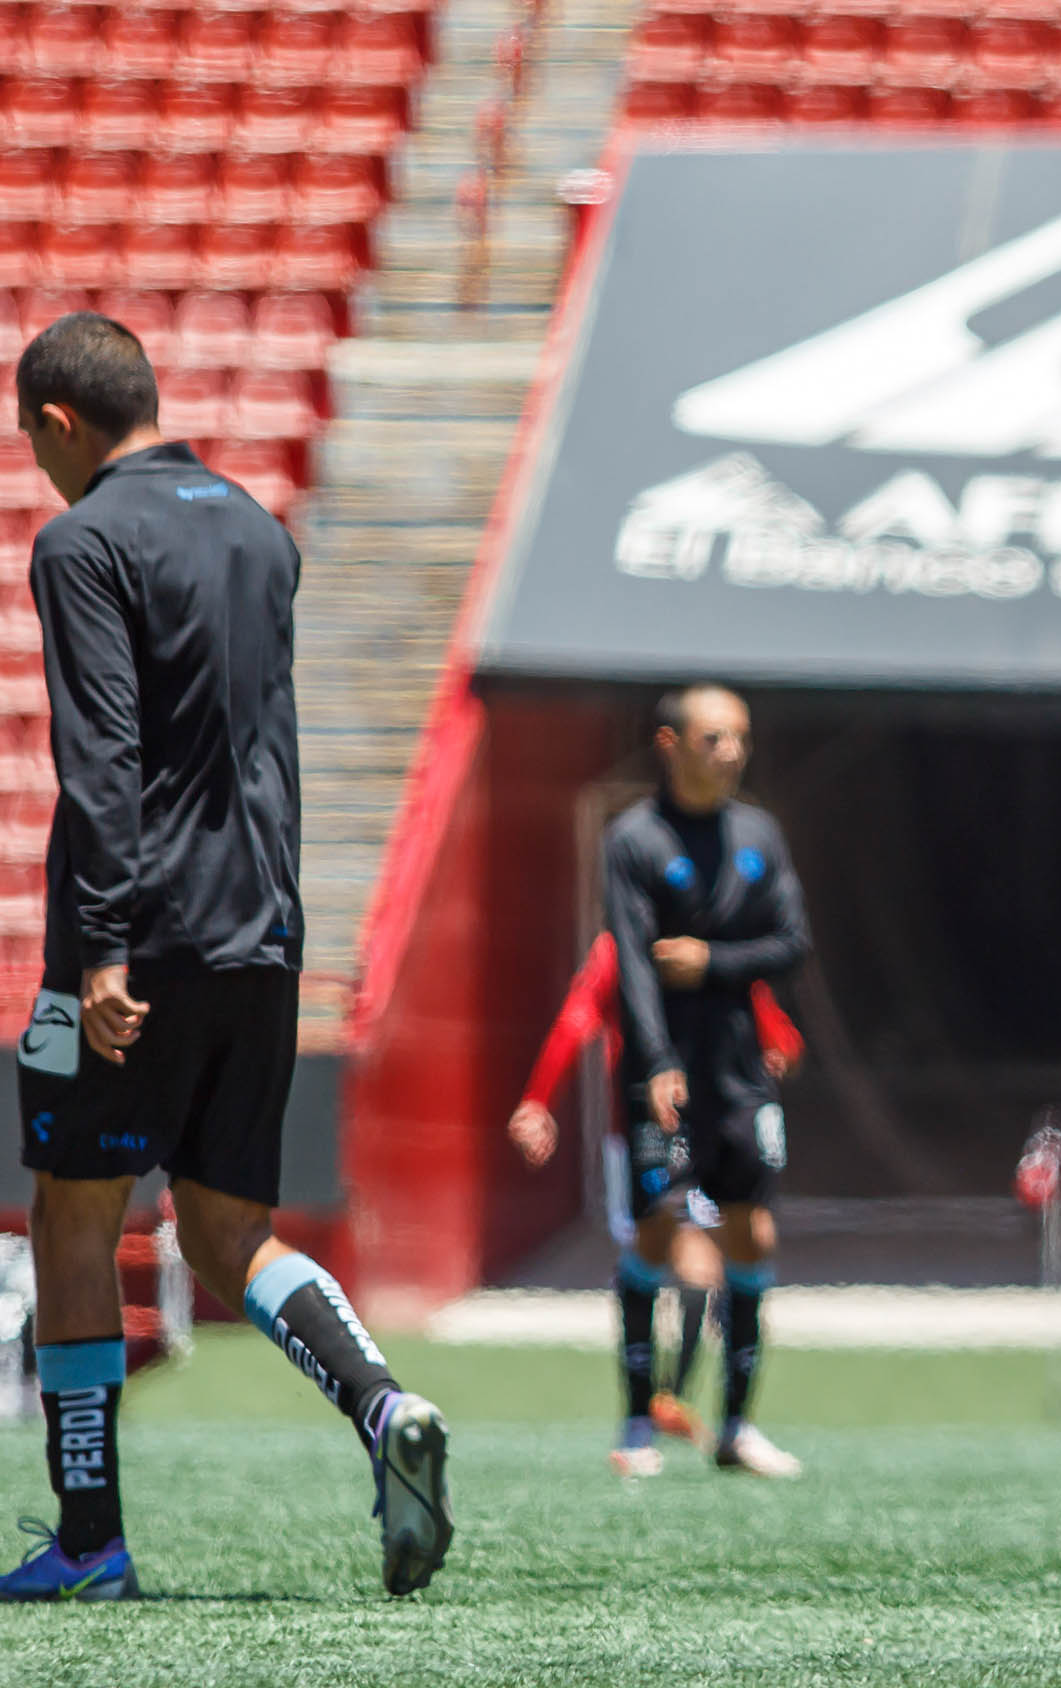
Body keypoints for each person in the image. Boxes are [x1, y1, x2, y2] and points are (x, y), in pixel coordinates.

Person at [5, 313, 451, 1600]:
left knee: (74, 1210)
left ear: (58, 424)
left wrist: (95, 948)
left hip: (136, 938)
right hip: (263, 928)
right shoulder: (262, 529)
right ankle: (382, 1407)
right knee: (227, 1228)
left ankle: (89, 1541)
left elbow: (102, 755)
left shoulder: (85, 540)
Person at [602, 684, 811, 1481]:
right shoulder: (635, 841)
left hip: (740, 1069)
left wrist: (713, 961)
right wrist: (655, 1061)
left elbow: (793, 942)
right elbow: (630, 960)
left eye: (740, 740)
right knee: (657, 1231)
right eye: (715, 739)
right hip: (665, 1068)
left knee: (751, 1233)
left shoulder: (760, 833)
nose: (731, 753)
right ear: (671, 743)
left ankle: (736, 1428)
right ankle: (636, 1421)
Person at [507, 929, 805, 1464]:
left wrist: (777, 1040)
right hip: (653, 1120)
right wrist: (537, 1099)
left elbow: (762, 1009)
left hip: (723, 1115)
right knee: (683, 1253)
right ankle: (645, 1418)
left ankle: (717, 1420)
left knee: (748, 1238)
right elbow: (578, 1018)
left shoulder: (719, 937)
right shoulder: (620, 946)